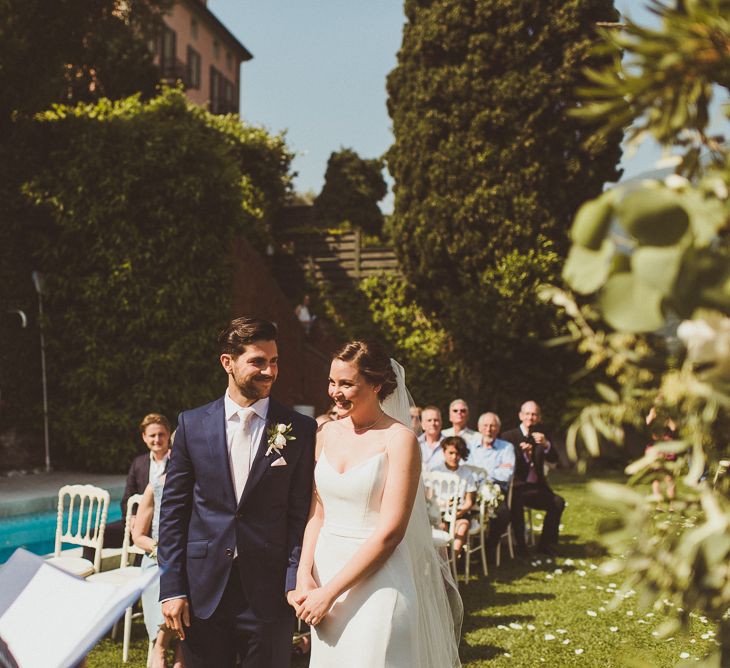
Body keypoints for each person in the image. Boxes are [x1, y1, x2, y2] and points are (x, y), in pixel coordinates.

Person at [290, 341, 462, 667]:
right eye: (332, 382)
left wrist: (329, 595)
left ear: (376, 384)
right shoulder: (325, 433)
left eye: (346, 384)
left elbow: (390, 533)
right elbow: (318, 512)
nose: (335, 392)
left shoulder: (399, 440)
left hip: (378, 582)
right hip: (323, 579)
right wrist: (304, 577)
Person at [157, 317, 317, 667]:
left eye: (274, 361)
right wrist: (172, 588)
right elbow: (173, 513)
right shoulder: (190, 424)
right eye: (258, 361)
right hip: (203, 592)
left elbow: (299, 514)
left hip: (271, 593)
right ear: (227, 363)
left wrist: (294, 580)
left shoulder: (299, 429)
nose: (269, 370)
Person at [84, 414, 172, 562]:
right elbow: (127, 498)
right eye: (152, 435)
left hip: (162, 527)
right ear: (144, 437)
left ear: (168, 434)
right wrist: (132, 517)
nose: (157, 439)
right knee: (92, 535)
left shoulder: (178, 461)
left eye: (161, 434)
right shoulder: (138, 463)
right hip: (135, 524)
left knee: (141, 558)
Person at [132, 475, 184, 668]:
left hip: (185, 558)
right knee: (163, 587)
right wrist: (161, 549)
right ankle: (160, 647)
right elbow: (138, 536)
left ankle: (181, 652)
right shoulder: (155, 486)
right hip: (156, 558)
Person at [502, 401, 564, 556]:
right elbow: (507, 465)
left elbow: (555, 460)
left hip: (536, 487)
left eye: (534, 414)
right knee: (516, 501)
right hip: (517, 487)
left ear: (539, 417)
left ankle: (546, 545)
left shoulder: (541, 436)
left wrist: (546, 445)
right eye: (528, 414)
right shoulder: (509, 437)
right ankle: (521, 547)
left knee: (558, 502)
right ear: (521, 416)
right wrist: (524, 455)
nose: (531, 417)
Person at [470, 412, 514, 559]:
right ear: (479, 427)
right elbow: (466, 469)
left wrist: (481, 470)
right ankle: (467, 548)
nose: (489, 429)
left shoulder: (506, 448)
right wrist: (496, 469)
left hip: (497, 490)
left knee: (503, 514)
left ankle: (490, 546)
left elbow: (506, 475)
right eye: (485, 425)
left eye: (492, 425)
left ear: (498, 428)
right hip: (473, 488)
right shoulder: (471, 447)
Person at [431, 436, 477, 557]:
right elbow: (430, 497)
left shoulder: (466, 473)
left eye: (457, 454)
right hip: (440, 512)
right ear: (444, 452)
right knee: (441, 527)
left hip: (459, 512)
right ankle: (442, 560)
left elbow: (468, 501)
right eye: (451, 453)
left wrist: (459, 513)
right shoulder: (436, 472)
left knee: (462, 527)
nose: (454, 457)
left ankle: (453, 560)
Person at [418, 405, 446, 470]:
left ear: (441, 423)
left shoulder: (449, 444)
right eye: (429, 420)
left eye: (436, 420)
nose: (433, 423)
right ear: (422, 425)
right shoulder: (415, 444)